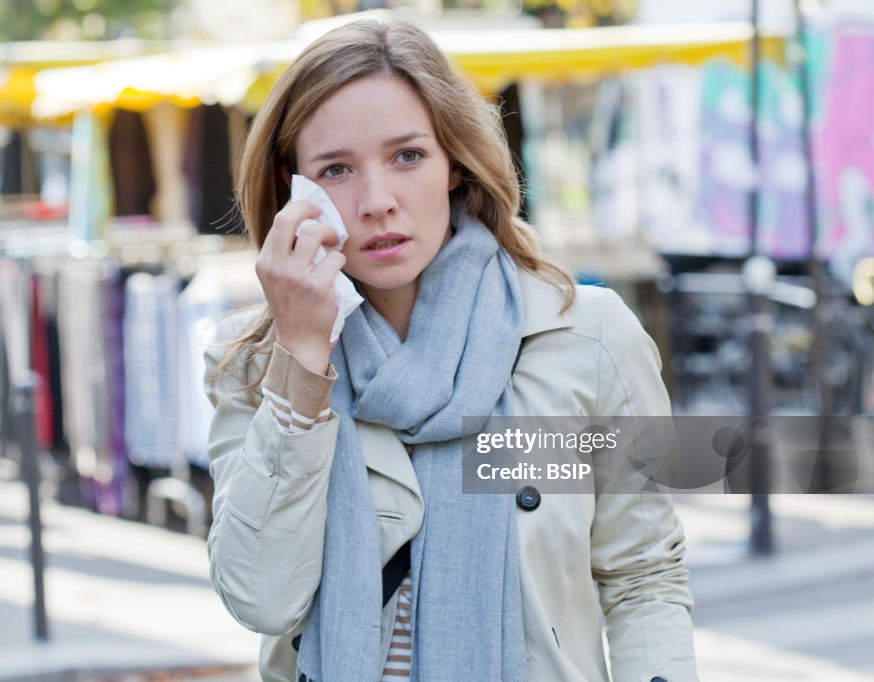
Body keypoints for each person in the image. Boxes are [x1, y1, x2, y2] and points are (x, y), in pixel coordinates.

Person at [204, 17, 697, 682]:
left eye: (407, 156)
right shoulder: (255, 362)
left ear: (454, 164)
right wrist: (300, 354)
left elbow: (643, 576)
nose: (378, 202)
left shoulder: (587, 336)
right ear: (298, 189)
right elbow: (260, 598)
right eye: (337, 169)